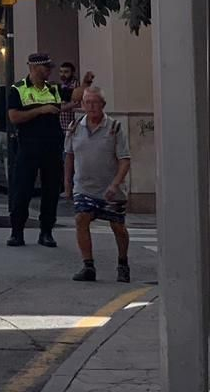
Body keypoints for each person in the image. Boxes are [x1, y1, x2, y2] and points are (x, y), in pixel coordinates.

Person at [64, 86, 131, 283]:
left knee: (118, 226)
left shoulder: (114, 127)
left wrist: (115, 184)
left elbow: (125, 159)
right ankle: (88, 265)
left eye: (95, 103)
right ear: (82, 105)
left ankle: (123, 263)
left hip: (111, 189)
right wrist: (67, 184)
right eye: (87, 103)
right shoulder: (75, 127)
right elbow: (69, 156)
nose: (91, 107)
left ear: (103, 105)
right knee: (81, 219)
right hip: (84, 187)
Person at [7, 51, 67, 248]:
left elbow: (72, 98)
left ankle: (47, 231)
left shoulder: (53, 89)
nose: (49, 71)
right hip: (28, 146)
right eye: (46, 67)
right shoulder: (18, 89)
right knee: (22, 189)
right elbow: (15, 117)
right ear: (33, 68)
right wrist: (41, 110)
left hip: (52, 146)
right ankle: (17, 232)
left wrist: (84, 84)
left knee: (51, 190)